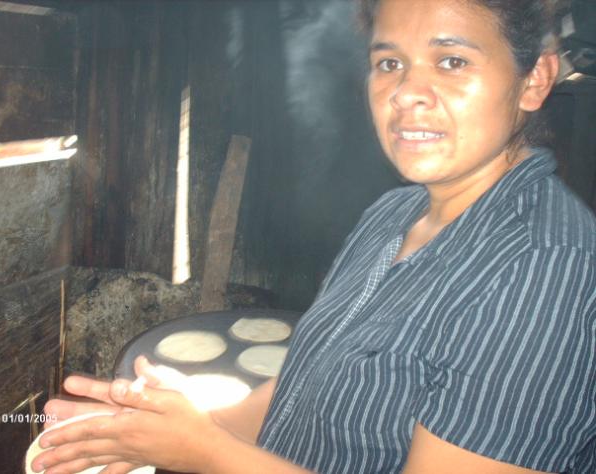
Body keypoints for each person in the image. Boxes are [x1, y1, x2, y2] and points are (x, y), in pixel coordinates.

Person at [32, 0, 596, 472]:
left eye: (452, 61)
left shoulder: (545, 268)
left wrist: (204, 452)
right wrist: (164, 432)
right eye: (389, 63)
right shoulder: (393, 214)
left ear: (534, 79)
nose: (406, 92)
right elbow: (302, 387)